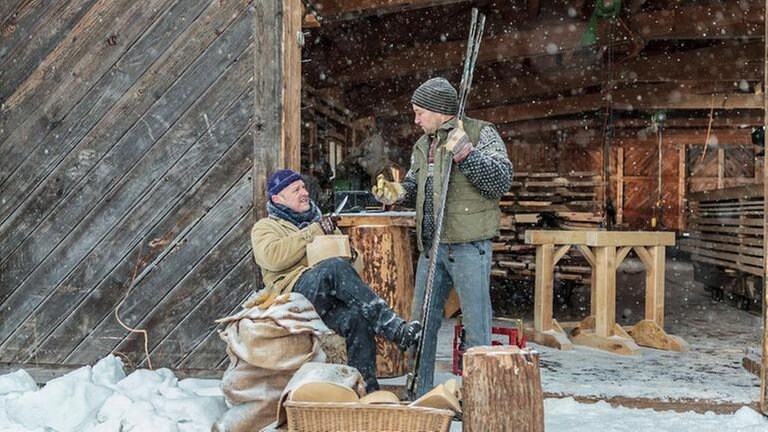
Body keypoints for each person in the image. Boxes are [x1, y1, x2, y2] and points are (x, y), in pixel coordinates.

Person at [372, 77, 513, 397]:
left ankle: (480, 397)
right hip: (431, 247)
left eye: (420, 112)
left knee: (477, 327)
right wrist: (396, 193)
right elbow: (413, 185)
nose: (416, 119)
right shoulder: (423, 145)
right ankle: (419, 392)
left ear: (439, 111)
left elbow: (500, 181)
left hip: (469, 244)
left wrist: (467, 153)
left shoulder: (480, 133)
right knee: (421, 324)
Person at [250, 168, 422, 392]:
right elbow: (272, 258)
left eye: (303, 187)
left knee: (357, 318)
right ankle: (394, 329)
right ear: (277, 198)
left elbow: (353, 270)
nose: (304, 193)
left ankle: (366, 389)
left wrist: (350, 253)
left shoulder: (320, 222)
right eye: (295, 190)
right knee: (333, 267)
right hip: (292, 295)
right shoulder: (266, 227)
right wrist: (314, 231)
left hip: (323, 301)